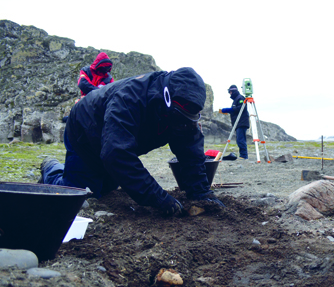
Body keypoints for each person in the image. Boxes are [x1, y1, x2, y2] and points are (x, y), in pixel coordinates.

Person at [39, 67, 224, 216]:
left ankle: (90, 176)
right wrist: (159, 198)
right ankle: (51, 168)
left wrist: (201, 193)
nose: (182, 124)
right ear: (166, 98)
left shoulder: (183, 114)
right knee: (81, 192)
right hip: (84, 132)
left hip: (112, 140)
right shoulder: (129, 98)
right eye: (179, 116)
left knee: (108, 188)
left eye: (187, 119)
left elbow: (191, 152)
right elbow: (116, 154)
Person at [219, 85, 249, 159]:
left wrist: (228, 110)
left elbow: (241, 108)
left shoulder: (240, 98)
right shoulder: (236, 99)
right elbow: (236, 109)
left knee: (240, 139)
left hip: (241, 122)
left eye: (230, 92)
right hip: (239, 122)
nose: (230, 94)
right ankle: (243, 155)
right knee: (240, 139)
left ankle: (243, 156)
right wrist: (230, 111)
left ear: (232, 91)